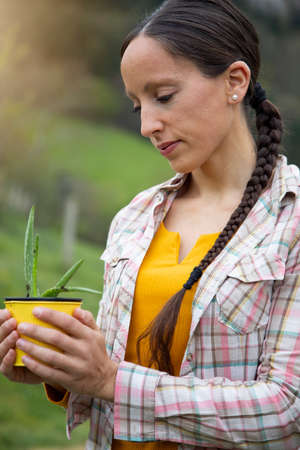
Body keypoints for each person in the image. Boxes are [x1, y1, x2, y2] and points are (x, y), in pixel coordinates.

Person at [1, 0, 300, 448]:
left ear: (235, 82)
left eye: (163, 97)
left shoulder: (290, 219)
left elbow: (285, 406)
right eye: (136, 106)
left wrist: (110, 380)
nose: (146, 125)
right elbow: (114, 371)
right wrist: (62, 369)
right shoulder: (135, 217)